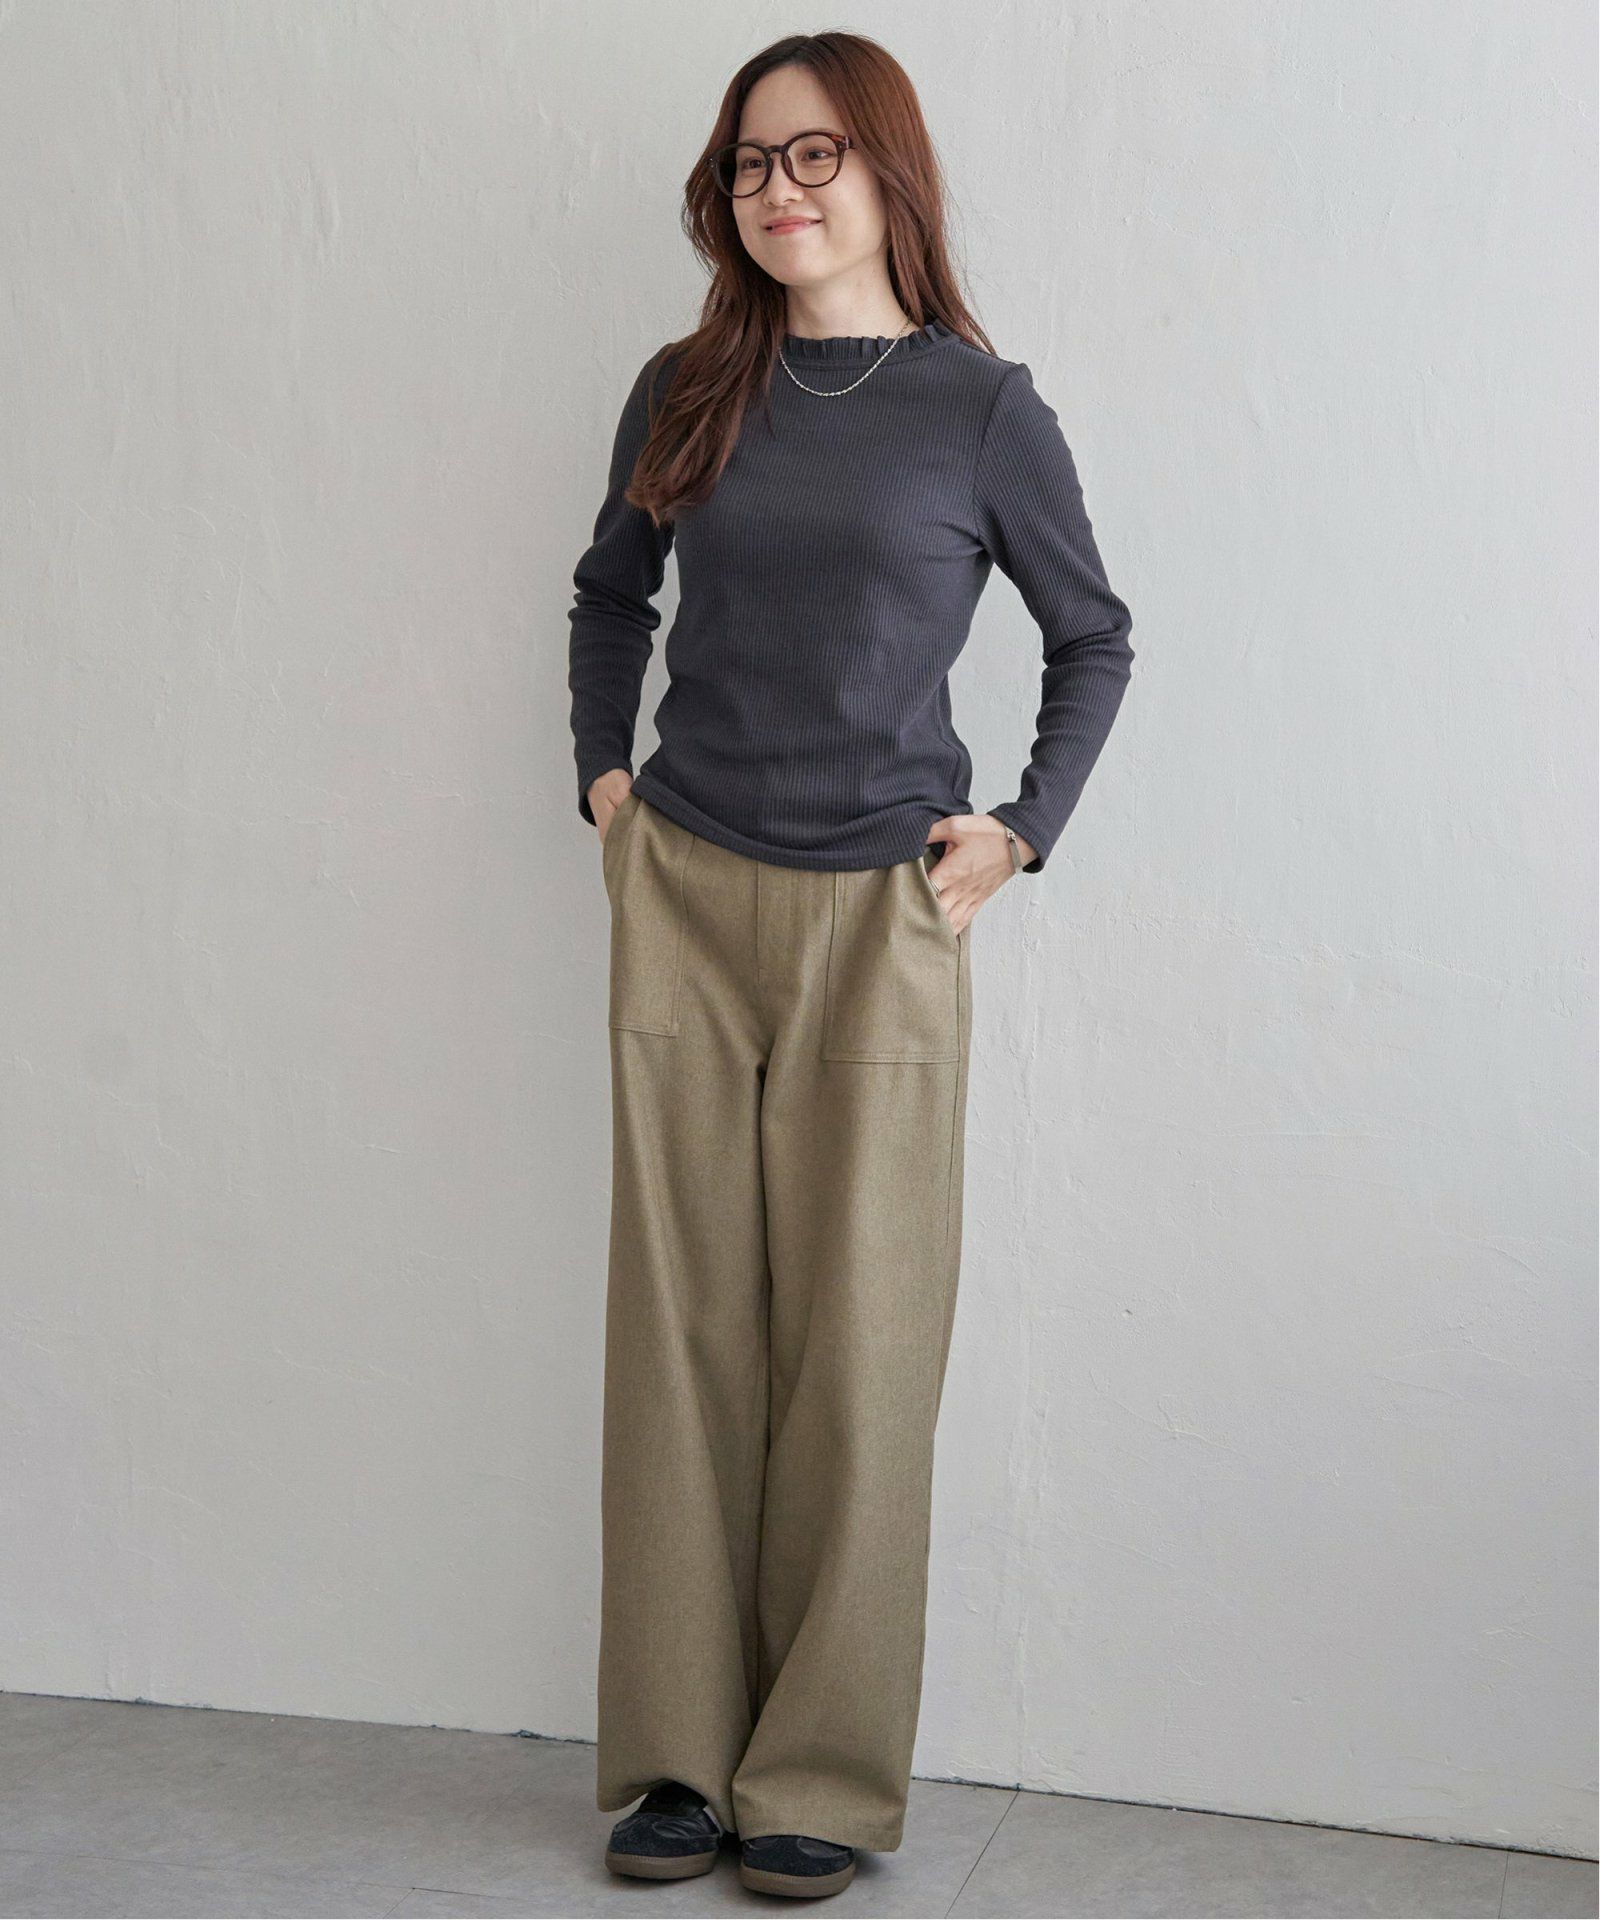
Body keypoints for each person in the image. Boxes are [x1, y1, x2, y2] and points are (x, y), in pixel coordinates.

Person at [565, 29, 1134, 1902]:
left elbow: (1094, 636)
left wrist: (1021, 830)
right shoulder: (685, 387)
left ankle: (814, 1771)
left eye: (814, 154)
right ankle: (675, 1762)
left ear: (889, 172)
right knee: (681, 1336)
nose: (779, 189)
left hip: (886, 916)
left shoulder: (980, 408)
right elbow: (610, 595)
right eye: (750, 163)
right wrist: (603, 780)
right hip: (686, 892)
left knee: (863, 1349)